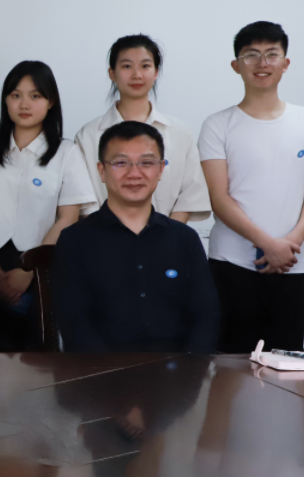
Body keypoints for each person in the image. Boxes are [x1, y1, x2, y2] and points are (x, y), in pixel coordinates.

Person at [199, 21, 304, 353]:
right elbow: (219, 197)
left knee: (286, 362)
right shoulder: (217, 124)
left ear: (285, 63)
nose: (262, 63)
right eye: (251, 55)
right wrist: (267, 243)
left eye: (272, 54)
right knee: (233, 363)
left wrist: (290, 243)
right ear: (236, 65)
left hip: (292, 262)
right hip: (232, 263)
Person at [54, 121, 219, 353]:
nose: (134, 173)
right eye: (120, 163)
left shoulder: (185, 239)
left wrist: (191, 366)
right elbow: (74, 323)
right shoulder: (74, 240)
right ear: (101, 171)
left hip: (179, 369)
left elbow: (206, 315)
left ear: (160, 170)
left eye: (146, 163)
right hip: (100, 371)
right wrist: (111, 371)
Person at [0, 61, 96, 351]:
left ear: (51, 101)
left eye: (35, 96)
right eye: (15, 95)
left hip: (43, 267)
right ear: (5, 100)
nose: (24, 104)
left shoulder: (66, 152)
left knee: (37, 358)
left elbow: (68, 218)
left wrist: (29, 270)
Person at [75, 35, 210, 222]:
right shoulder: (88, 135)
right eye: (127, 66)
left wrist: (165, 234)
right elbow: (84, 200)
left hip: (166, 236)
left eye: (145, 66)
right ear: (112, 73)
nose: (137, 75)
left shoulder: (179, 132)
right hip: (103, 236)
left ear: (156, 72)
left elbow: (190, 195)